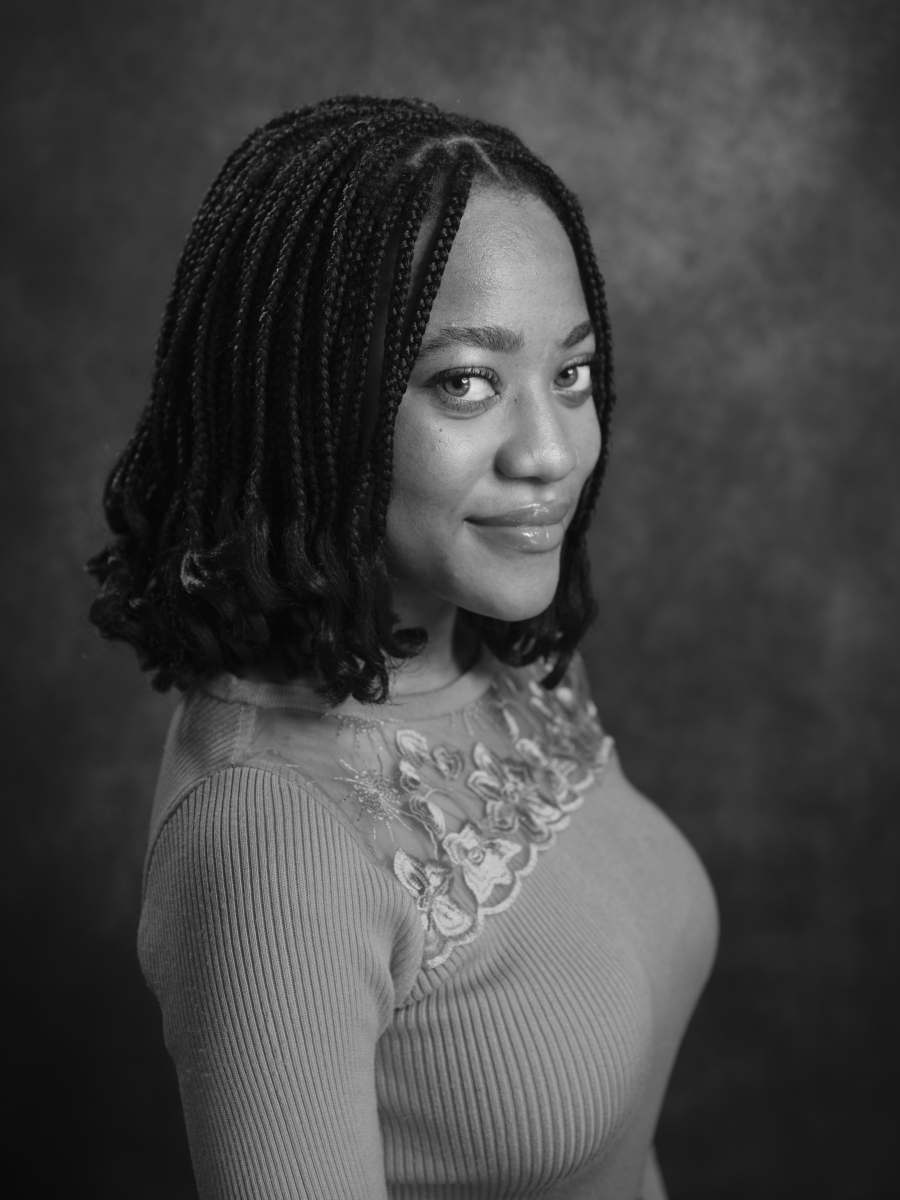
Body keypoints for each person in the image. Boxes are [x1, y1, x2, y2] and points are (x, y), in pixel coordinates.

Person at [88, 95, 718, 1200]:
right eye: (465, 382)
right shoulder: (270, 840)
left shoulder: (514, 654)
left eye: (571, 373)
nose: (550, 452)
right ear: (304, 406)